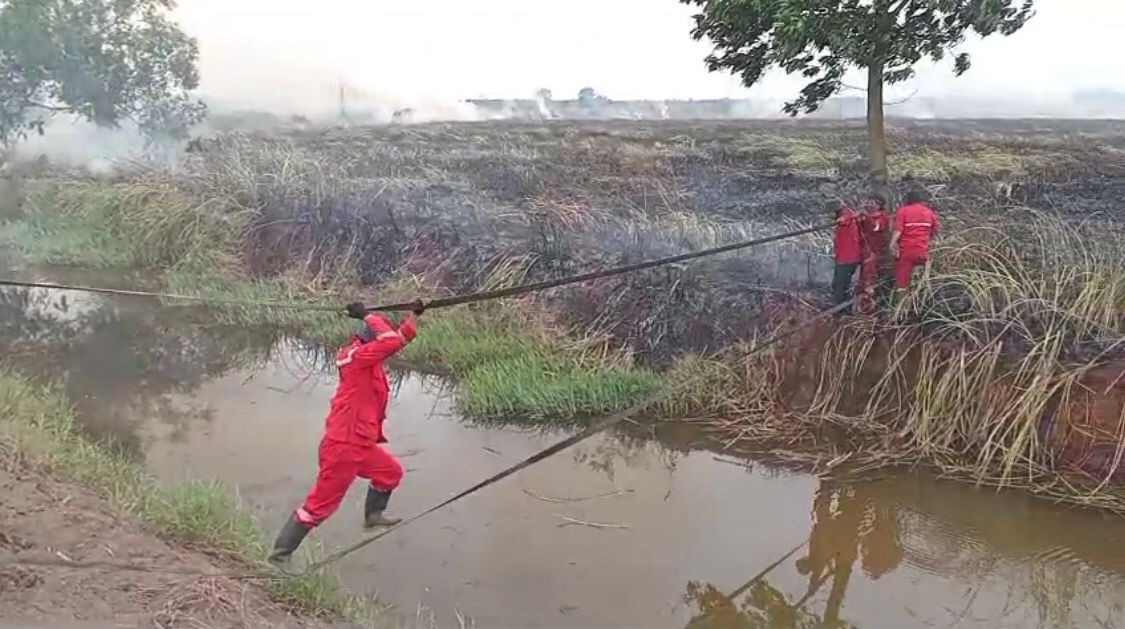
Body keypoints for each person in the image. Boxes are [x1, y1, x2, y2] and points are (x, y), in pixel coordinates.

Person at [269, 298, 426, 567]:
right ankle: (279, 557)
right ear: (370, 339)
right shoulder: (353, 357)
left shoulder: (370, 355)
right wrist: (367, 316)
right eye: (379, 335)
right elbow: (389, 341)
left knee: (390, 473)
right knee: (319, 507)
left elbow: (398, 338)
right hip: (343, 446)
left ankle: (372, 516)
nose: (385, 346)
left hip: (361, 443)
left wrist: (415, 314)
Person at [889, 187, 939, 291]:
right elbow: (934, 231)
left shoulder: (903, 211)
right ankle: (917, 299)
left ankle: (901, 302)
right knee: (919, 282)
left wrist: (892, 244)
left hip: (906, 252)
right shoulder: (929, 212)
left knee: (901, 282)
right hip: (922, 252)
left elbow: (898, 230)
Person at [857, 195, 891, 313]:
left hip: (873, 250)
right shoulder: (865, 215)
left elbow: (876, 227)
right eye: (870, 202)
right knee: (862, 277)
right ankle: (860, 303)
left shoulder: (883, 217)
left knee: (869, 277)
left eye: (874, 203)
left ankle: (868, 306)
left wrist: (865, 216)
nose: (871, 204)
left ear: (879, 205)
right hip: (863, 250)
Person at [831, 200, 862, 314]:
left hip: (847, 259)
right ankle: (844, 310)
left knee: (840, 287)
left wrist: (842, 219)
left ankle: (842, 312)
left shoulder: (847, 215)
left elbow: (847, 217)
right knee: (840, 285)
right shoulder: (847, 216)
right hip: (845, 258)